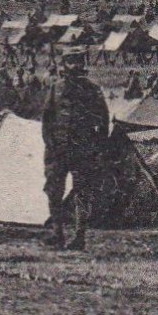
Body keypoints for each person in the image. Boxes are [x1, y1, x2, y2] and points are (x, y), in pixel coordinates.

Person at [42, 46, 109, 251]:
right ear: (64, 65)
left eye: (78, 61)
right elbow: (47, 119)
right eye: (70, 61)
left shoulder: (92, 89)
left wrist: (96, 146)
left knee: (82, 192)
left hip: (82, 150)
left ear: (83, 65)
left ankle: (80, 236)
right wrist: (50, 144)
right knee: (54, 191)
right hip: (58, 150)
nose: (74, 65)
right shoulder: (56, 88)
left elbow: (104, 120)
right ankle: (58, 232)